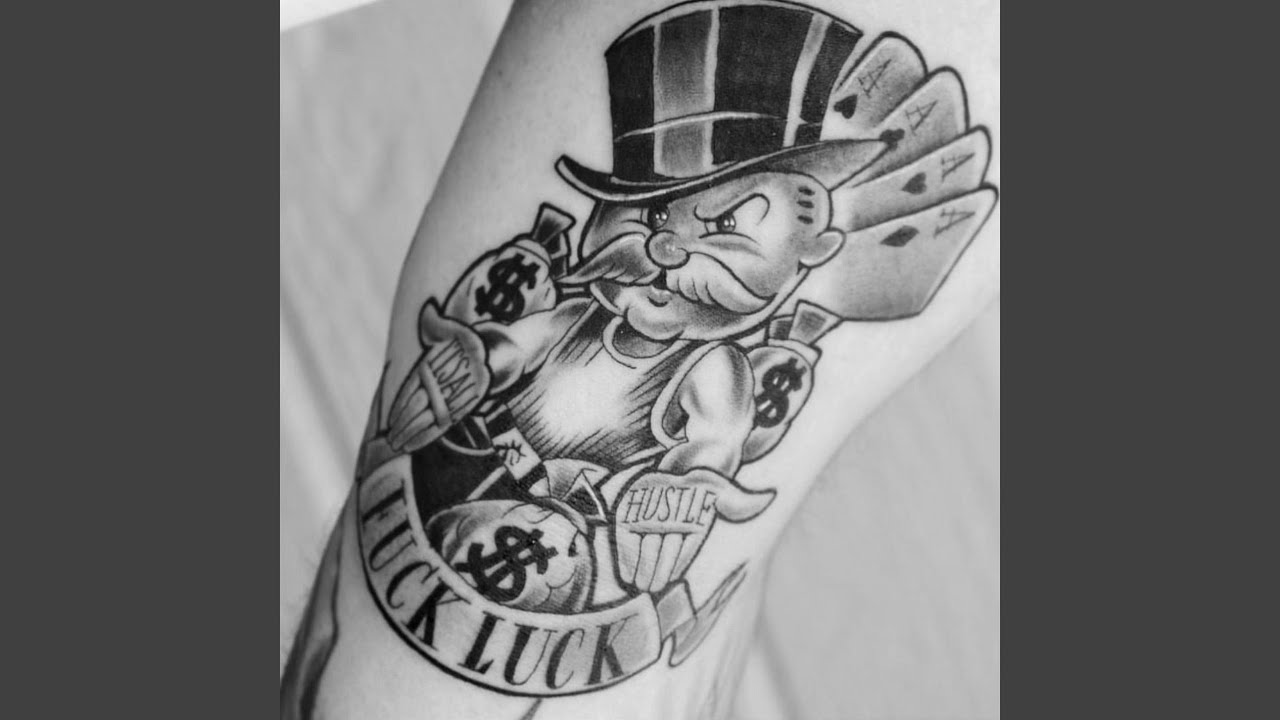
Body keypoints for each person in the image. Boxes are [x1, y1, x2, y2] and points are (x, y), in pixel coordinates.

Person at [283, 1, 998, 717]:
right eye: (654, 213)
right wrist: (469, 363)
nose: (667, 248)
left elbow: (706, 461)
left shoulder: (709, 373)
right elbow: (509, 345)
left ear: (812, 246)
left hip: (576, 559)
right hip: (462, 491)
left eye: (724, 222)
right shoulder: (578, 314)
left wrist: (674, 497)